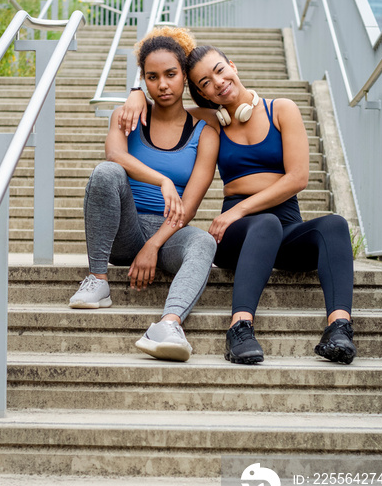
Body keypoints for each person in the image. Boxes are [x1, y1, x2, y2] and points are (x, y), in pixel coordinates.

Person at [119, 35, 356, 366]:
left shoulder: (281, 109)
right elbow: (166, 100)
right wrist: (135, 94)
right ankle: (240, 329)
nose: (218, 83)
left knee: (334, 224)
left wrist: (244, 207)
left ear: (232, 66)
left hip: (283, 226)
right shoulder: (211, 120)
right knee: (265, 223)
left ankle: (339, 328)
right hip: (235, 234)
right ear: (201, 92)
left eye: (219, 71)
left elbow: (298, 178)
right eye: (205, 83)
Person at [69, 27, 219, 363]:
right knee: (105, 173)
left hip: (168, 236)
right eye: (151, 77)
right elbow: (114, 157)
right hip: (125, 228)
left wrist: (153, 246)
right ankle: (97, 280)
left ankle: (168, 325)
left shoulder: (204, 132)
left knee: (205, 243)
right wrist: (163, 180)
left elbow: (190, 207)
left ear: (185, 76)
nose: (162, 85)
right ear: (143, 79)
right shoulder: (127, 116)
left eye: (171, 74)